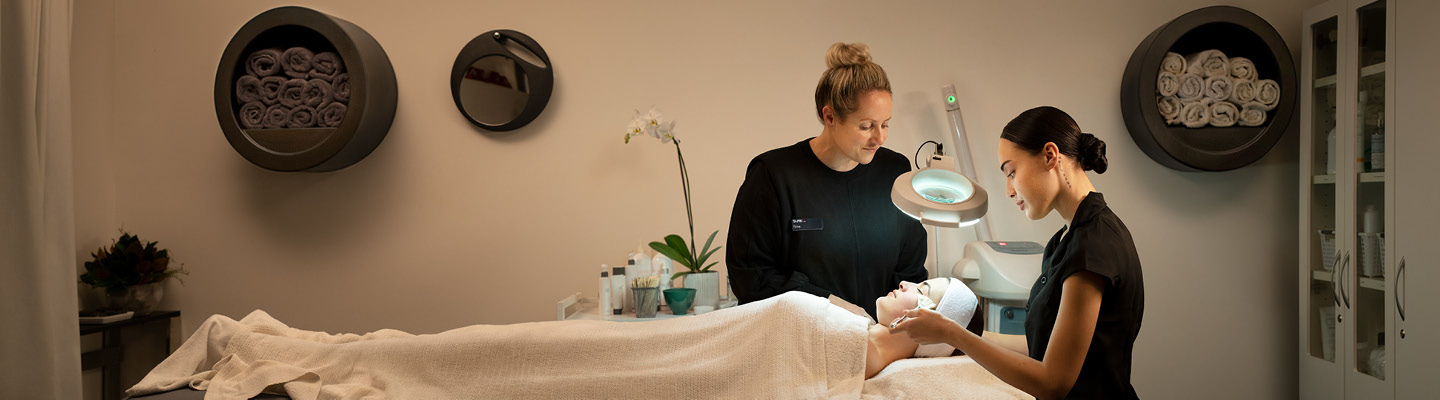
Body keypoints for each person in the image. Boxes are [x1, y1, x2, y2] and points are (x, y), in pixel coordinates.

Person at [890, 106, 1144, 399]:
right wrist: (956, 337)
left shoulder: (1092, 246)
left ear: (1050, 156)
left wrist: (952, 334)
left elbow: (1053, 383)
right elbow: (1040, 347)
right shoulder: (1066, 240)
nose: (1009, 190)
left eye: (1011, 172)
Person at [726, 42, 928, 320]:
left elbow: (911, 270)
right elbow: (750, 278)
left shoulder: (894, 172)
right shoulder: (774, 176)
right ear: (830, 115)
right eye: (866, 126)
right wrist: (830, 305)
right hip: (799, 341)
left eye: (886, 124)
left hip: (882, 345)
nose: (879, 138)